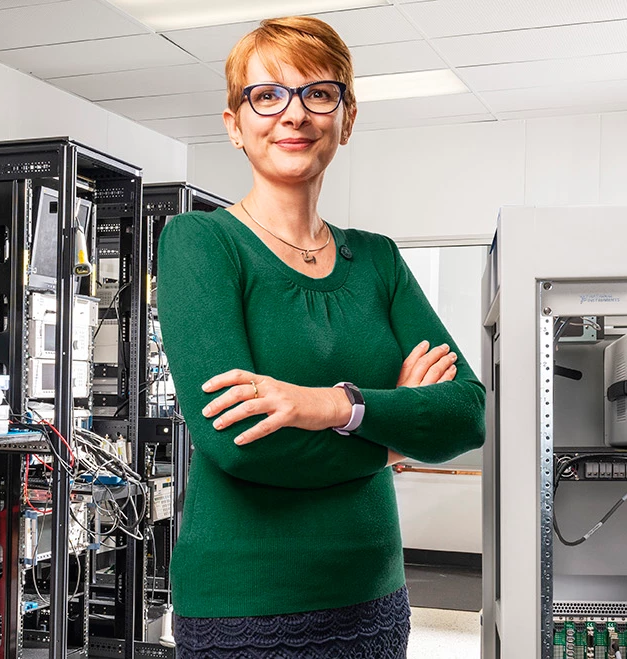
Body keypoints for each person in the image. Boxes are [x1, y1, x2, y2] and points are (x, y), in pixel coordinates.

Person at [155, 16, 487, 658]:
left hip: (373, 596)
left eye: (319, 93)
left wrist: (332, 406)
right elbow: (239, 447)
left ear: (347, 117)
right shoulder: (201, 244)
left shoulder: (378, 260)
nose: (294, 114)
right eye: (267, 95)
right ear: (234, 125)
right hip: (245, 607)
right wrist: (393, 437)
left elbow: (467, 414)